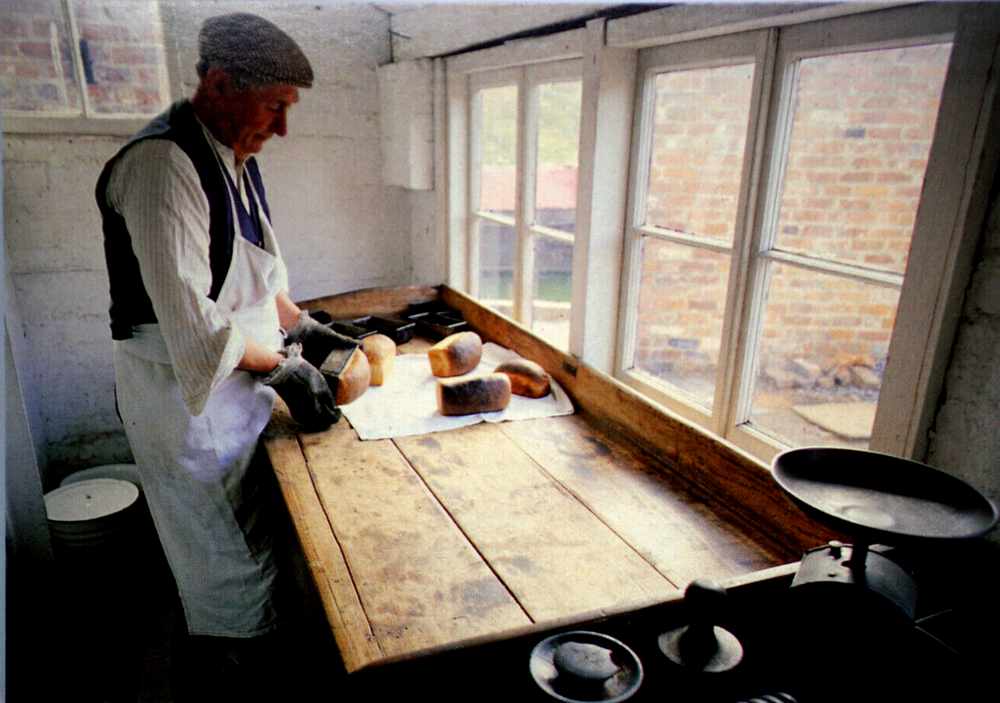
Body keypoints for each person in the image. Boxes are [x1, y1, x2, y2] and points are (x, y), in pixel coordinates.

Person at [95, 12, 348, 697]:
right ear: (219, 82)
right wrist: (286, 364)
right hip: (188, 405)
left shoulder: (234, 156)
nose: (283, 127)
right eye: (275, 106)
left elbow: (259, 283)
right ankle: (225, 683)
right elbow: (196, 330)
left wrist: (309, 328)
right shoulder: (161, 167)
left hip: (237, 393)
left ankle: (249, 664)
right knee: (228, 574)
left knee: (252, 560)